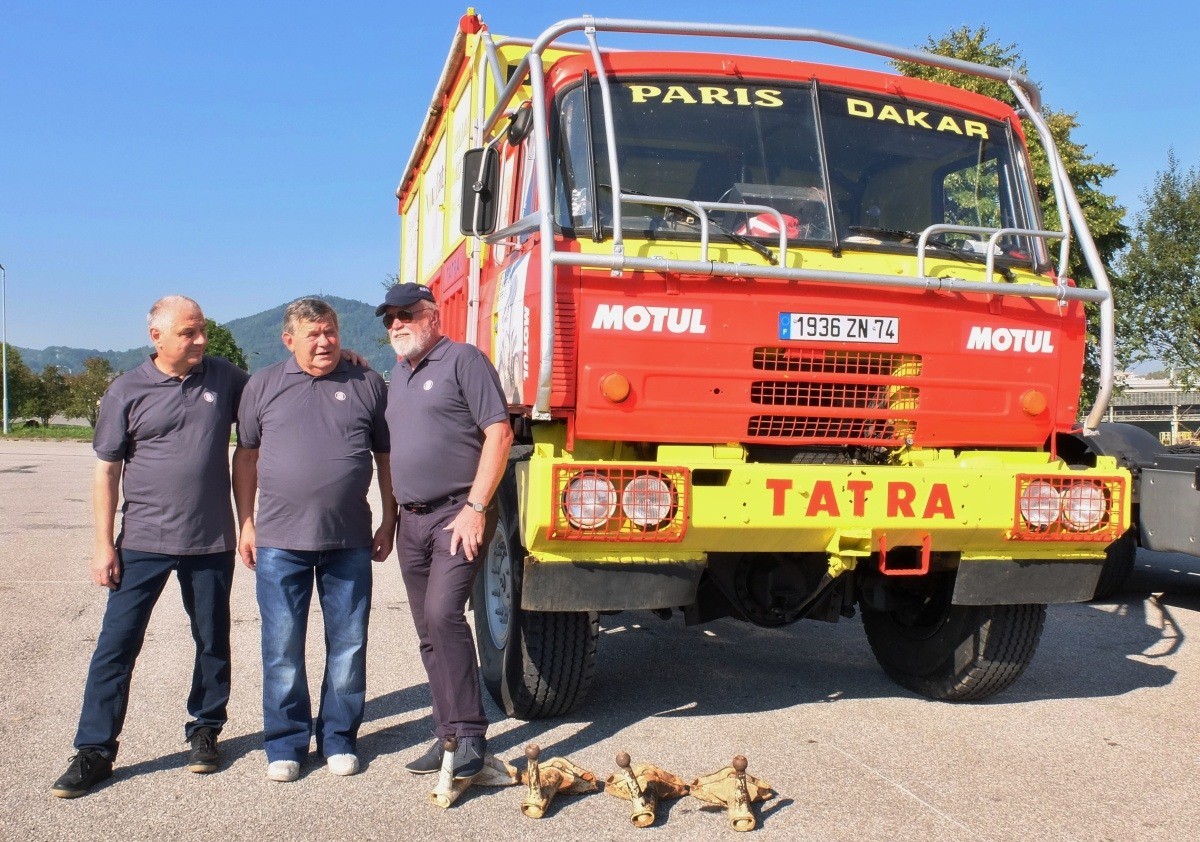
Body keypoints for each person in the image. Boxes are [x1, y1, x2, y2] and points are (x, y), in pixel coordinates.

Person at [51, 295, 248, 798]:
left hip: (210, 541)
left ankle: (205, 730)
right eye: (189, 332)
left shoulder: (224, 378)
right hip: (141, 540)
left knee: (211, 639)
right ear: (157, 336)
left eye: (202, 330)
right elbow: (107, 471)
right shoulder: (126, 391)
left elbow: (279, 392)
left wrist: (348, 359)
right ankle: (95, 750)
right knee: (116, 646)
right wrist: (102, 546)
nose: (201, 340)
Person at [232, 297, 393, 783]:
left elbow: (386, 457)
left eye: (331, 332)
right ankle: (285, 742)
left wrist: (390, 518)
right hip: (280, 541)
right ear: (289, 340)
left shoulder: (366, 382)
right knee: (282, 647)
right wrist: (246, 522)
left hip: (349, 540)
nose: (324, 342)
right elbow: (246, 457)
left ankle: (340, 737)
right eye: (312, 334)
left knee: (348, 643)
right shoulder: (262, 385)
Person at [378, 282, 513, 779]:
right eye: (388, 318)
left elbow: (500, 432)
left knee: (444, 614)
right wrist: (391, 519)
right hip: (411, 519)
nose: (396, 324)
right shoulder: (398, 372)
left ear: (433, 315)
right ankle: (448, 734)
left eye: (407, 314)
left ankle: (472, 738)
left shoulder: (464, 361)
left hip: (457, 512)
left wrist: (477, 506)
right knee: (427, 629)